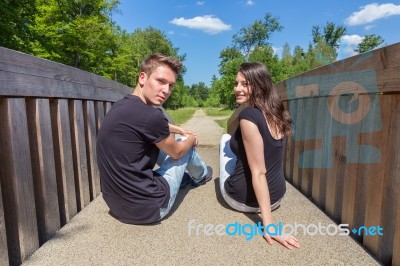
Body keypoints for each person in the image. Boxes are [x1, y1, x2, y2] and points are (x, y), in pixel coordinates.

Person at [97, 53, 213, 225]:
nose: (166, 91)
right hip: (149, 208)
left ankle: (184, 178)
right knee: (184, 147)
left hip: (116, 205)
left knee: (160, 142)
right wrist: (191, 139)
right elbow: (177, 152)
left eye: (171, 85)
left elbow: (150, 126)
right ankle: (201, 176)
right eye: (161, 81)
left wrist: (177, 128)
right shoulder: (150, 115)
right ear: (142, 77)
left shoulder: (122, 106)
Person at [219, 62, 300, 249]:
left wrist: (269, 225)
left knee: (225, 140)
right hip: (277, 197)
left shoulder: (248, 115)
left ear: (259, 84)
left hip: (242, 200)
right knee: (239, 151)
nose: (237, 89)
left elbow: (259, 173)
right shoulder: (278, 112)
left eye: (244, 84)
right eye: (236, 83)